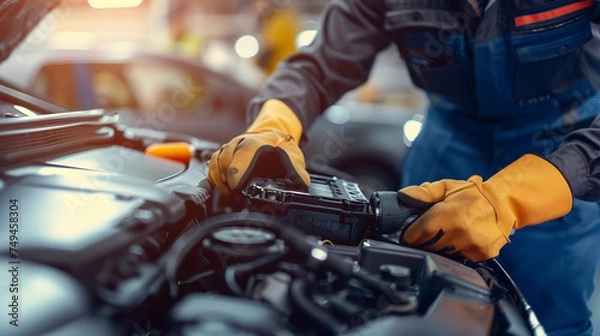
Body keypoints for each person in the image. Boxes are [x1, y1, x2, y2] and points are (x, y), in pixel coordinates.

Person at [207, 1, 600, 335]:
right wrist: (275, 123)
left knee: (552, 320)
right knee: (413, 303)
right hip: (448, 145)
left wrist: (523, 194)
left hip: (562, 151)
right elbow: (321, 63)